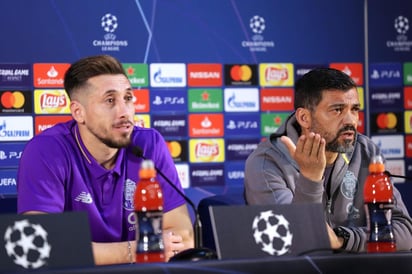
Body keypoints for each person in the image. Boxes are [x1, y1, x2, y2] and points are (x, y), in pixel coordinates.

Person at [17, 55, 194, 265]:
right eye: (110, 101)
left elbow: (182, 238)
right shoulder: (46, 151)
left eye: (128, 98)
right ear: (78, 112)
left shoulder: (149, 145)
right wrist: (135, 251)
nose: (124, 112)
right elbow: (40, 246)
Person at [244, 68, 412, 252]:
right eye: (337, 110)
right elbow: (293, 241)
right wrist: (310, 179)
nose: (351, 121)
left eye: (354, 109)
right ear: (304, 117)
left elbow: (405, 233)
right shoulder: (266, 163)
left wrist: (343, 239)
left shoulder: (366, 151)